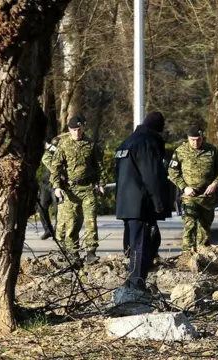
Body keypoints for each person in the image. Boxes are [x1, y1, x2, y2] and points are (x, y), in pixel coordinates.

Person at [114, 111, 171, 295]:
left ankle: (133, 280)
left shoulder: (127, 142)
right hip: (141, 204)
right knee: (142, 243)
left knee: (133, 243)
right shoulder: (146, 143)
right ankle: (136, 284)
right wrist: (160, 204)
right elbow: (152, 175)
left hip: (126, 203)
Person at [49, 115, 106, 266]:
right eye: (74, 130)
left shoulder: (90, 144)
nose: (77, 133)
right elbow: (55, 167)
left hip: (87, 188)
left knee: (91, 221)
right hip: (70, 189)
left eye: (79, 129)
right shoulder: (63, 144)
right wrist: (56, 186)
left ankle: (91, 253)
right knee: (72, 222)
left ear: (84, 128)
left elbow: (99, 166)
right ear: (69, 130)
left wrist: (101, 184)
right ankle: (73, 253)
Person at [168, 124, 218, 253]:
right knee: (190, 224)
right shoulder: (180, 151)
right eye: (192, 140)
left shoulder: (211, 151)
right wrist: (184, 187)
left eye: (198, 139)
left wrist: (215, 184)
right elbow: (173, 173)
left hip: (207, 197)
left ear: (202, 138)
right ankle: (187, 253)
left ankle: (202, 254)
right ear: (188, 138)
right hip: (189, 196)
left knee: (204, 228)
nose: (195, 142)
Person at [37, 134, 57, 240]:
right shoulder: (45, 152)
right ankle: (48, 229)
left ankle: (58, 231)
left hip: (56, 183)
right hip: (45, 183)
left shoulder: (57, 149)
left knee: (57, 208)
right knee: (41, 207)